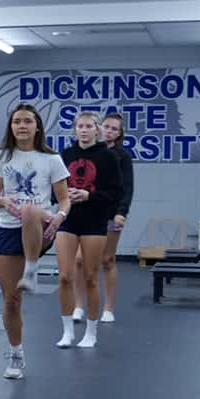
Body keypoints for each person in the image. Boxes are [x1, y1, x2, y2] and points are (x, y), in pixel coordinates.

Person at [0, 104, 71, 379]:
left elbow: (64, 198)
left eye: (27, 121)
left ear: (37, 126)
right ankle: (16, 353)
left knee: (32, 210)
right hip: (8, 228)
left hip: (40, 225)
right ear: (11, 127)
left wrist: (60, 216)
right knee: (11, 300)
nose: (22, 126)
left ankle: (32, 270)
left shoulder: (51, 159)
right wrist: (3, 200)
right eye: (17, 121)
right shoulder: (1, 156)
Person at [53, 112, 123, 349]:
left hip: (94, 221)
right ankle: (67, 331)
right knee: (64, 276)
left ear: (97, 130)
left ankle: (91, 332)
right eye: (79, 126)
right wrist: (66, 195)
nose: (83, 130)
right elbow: (54, 188)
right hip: (68, 219)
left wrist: (89, 195)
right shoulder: (66, 155)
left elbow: (115, 193)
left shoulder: (107, 157)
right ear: (75, 130)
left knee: (91, 277)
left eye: (88, 126)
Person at [72, 113, 133, 324]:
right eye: (106, 127)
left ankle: (108, 308)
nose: (109, 131)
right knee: (79, 260)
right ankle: (79, 305)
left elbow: (126, 187)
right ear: (99, 128)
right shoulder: (89, 152)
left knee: (107, 260)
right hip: (87, 211)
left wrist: (121, 212)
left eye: (114, 129)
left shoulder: (121, 155)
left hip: (110, 212)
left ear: (119, 133)